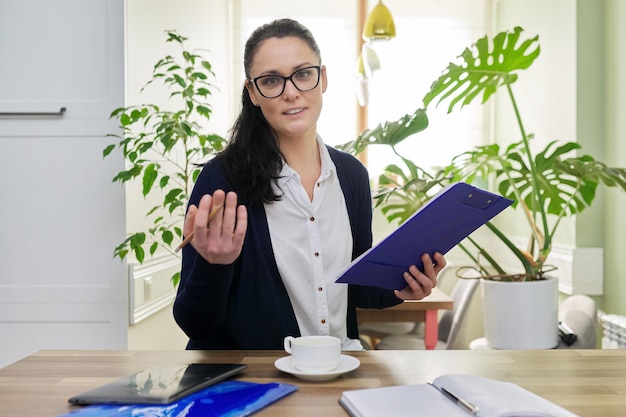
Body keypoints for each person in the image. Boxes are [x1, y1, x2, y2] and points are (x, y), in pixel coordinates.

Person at [173, 18, 446, 351]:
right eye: (271, 80)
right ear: (253, 93)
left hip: (340, 369)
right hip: (260, 382)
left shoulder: (352, 176)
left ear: (323, 79)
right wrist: (215, 266)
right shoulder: (223, 181)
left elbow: (354, 288)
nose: (291, 92)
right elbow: (195, 324)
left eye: (303, 74)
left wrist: (399, 288)